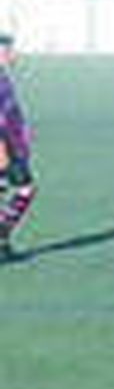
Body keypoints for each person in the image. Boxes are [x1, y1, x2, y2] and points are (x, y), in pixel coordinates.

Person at [0, 34, 36, 262]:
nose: (14, 55)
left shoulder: (3, 76)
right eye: (9, 50)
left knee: (10, 189)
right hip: (4, 147)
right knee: (25, 189)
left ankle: (2, 240)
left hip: (12, 144)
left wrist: (23, 133)